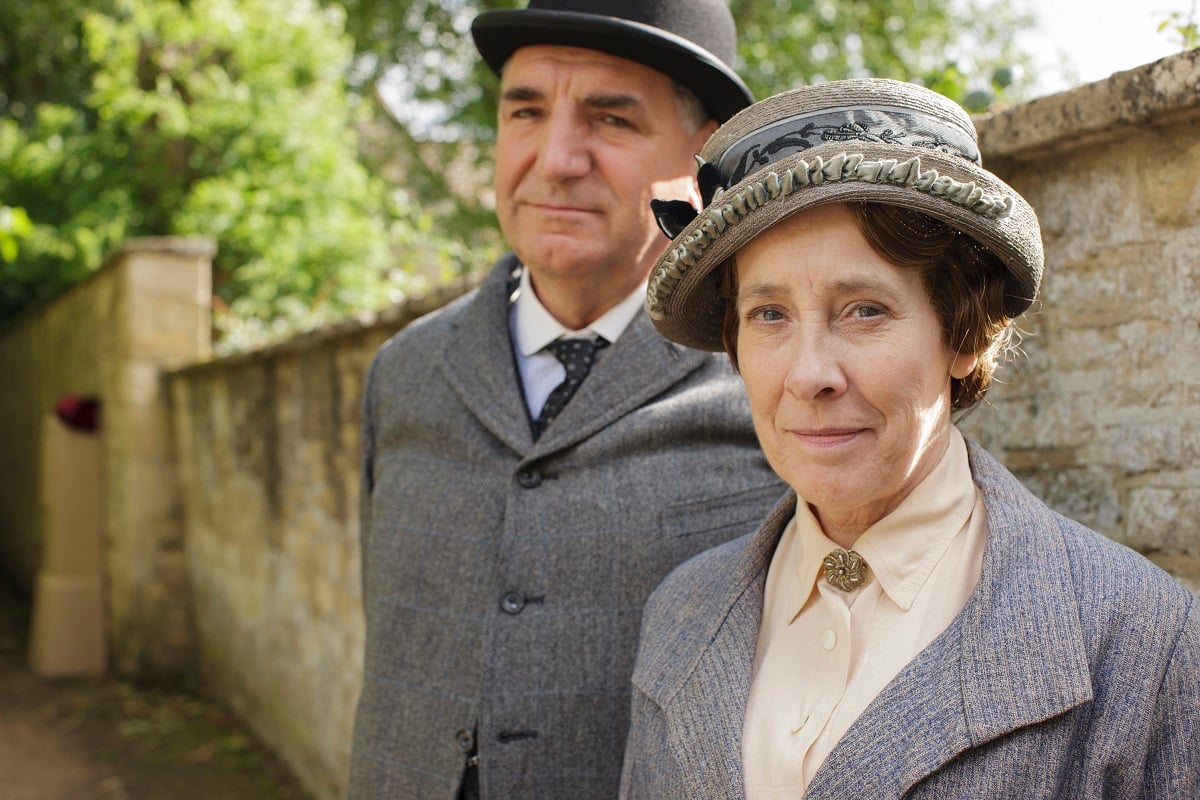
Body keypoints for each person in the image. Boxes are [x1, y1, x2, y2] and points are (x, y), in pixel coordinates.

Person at [620, 78, 1200, 799]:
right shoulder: (681, 612)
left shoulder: (1144, 643)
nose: (809, 375)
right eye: (769, 315)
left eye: (864, 310)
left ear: (966, 334)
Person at [347, 2, 785, 798]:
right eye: (525, 111)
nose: (555, 159)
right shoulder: (401, 374)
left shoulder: (774, 387)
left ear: (704, 153)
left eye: (610, 119)